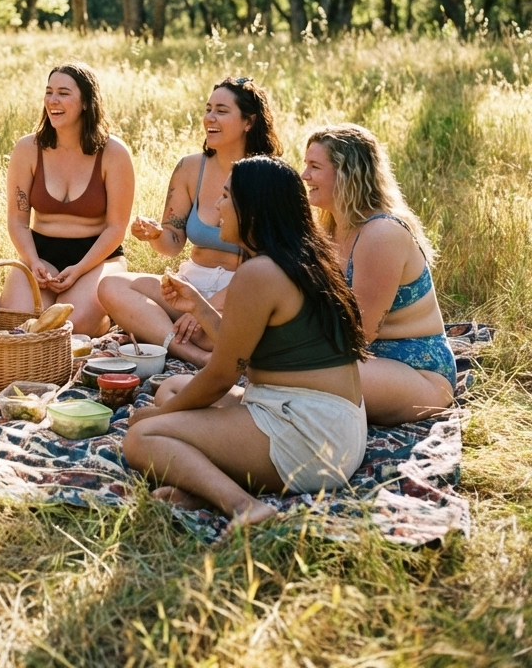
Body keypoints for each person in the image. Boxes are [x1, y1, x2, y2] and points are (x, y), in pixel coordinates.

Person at [123, 156, 367, 525]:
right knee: (172, 387)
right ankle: (200, 485)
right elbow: (250, 353)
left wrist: (158, 417)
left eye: (225, 197)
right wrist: (201, 307)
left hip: (310, 437)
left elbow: (222, 374)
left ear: (252, 206)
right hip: (334, 427)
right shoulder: (299, 257)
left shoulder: (259, 273)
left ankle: (244, 506)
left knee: (141, 436)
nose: (217, 207)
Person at [99, 77, 282, 364]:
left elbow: (272, 261)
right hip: (190, 283)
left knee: (234, 328)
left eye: (221, 111)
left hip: (239, 291)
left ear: (249, 121)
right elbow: (172, 244)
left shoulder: (268, 176)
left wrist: (206, 310)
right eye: (208, 109)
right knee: (111, 287)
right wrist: (156, 234)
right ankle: (193, 352)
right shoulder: (190, 167)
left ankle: (174, 335)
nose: (210, 117)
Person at [302, 125, 455, 425]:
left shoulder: (381, 233)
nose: (305, 175)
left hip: (415, 371)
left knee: (298, 374)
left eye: (315, 167)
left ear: (347, 174)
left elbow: (360, 331)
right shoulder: (329, 227)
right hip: (365, 361)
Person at [1, 62, 135, 337]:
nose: (53, 100)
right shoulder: (27, 149)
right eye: (49, 92)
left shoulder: (114, 152)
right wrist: (32, 260)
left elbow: (116, 228)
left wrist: (79, 270)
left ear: (86, 102)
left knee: (69, 330)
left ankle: (104, 316)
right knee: (18, 328)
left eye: (63, 93)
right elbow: (17, 220)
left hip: (96, 257)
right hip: (41, 254)